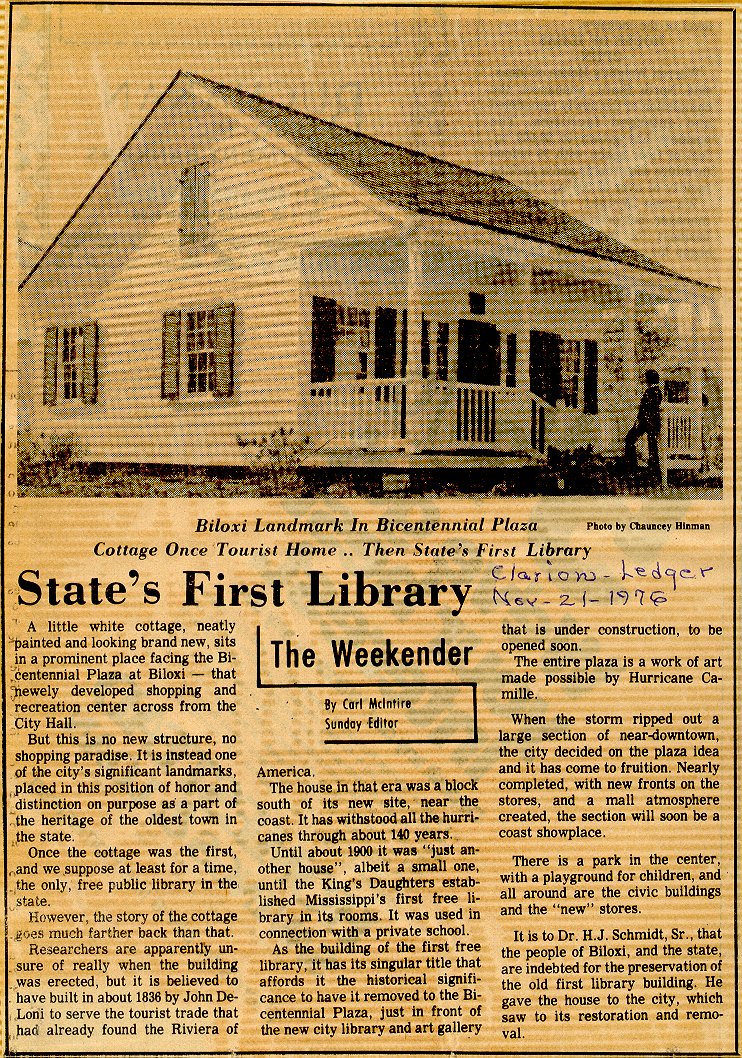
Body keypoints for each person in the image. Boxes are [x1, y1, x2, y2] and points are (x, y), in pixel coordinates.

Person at [625, 369, 663, 484]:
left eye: (645, 377)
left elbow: (645, 410)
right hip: (651, 423)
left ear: (649, 379)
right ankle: (652, 472)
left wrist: (639, 422)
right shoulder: (656, 391)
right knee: (652, 447)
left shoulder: (651, 392)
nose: (644, 379)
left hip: (647, 423)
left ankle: (635, 469)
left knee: (630, 439)